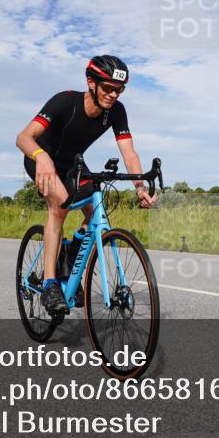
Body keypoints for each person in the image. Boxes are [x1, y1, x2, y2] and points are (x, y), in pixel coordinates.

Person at [15, 55, 158, 315]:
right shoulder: (64, 101)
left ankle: (70, 259)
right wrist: (41, 156)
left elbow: (129, 153)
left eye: (119, 90)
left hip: (72, 165)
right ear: (91, 82)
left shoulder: (117, 111)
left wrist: (140, 187)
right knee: (59, 206)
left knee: (95, 208)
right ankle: (50, 284)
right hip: (40, 159)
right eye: (108, 88)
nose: (114, 95)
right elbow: (24, 137)